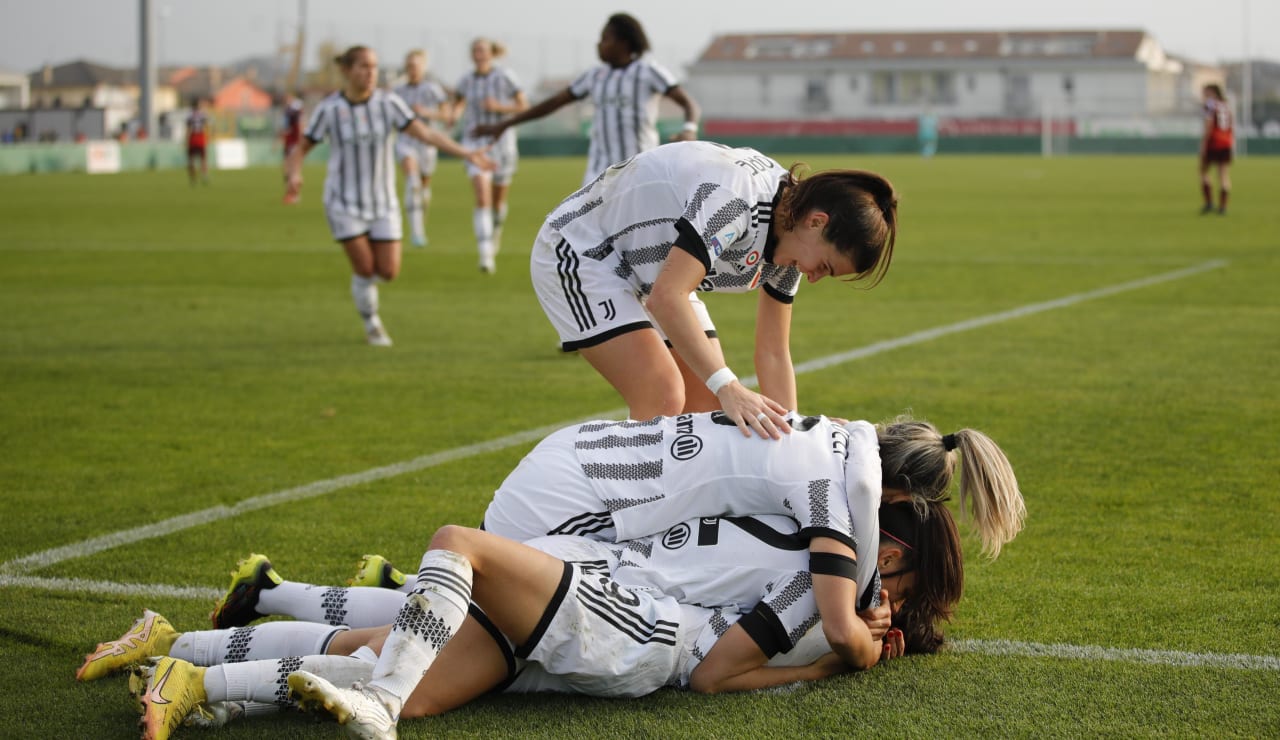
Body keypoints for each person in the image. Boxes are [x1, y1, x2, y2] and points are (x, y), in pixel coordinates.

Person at [82, 509, 923, 739]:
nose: (879, 577)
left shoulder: (822, 568)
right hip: (605, 599)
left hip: (614, 620)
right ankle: (183, 655)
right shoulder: (819, 550)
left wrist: (836, 656)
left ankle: (189, 663)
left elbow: (716, 670)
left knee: (395, 658)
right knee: (397, 650)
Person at [531, 141, 898, 433]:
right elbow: (668, 297)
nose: (814, 277)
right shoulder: (736, 200)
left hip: (653, 273)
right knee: (662, 395)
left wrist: (795, 434)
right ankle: (618, 513)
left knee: (704, 409)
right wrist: (729, 386)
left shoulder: (791, 242)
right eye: (825, 266)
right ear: (817, 222)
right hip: (582, 251)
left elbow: (772, 351)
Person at [284, 46, 494, 347]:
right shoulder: (330, 109)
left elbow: (427, 134)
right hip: (344, 202)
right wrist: (294, 174)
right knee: (366, 269)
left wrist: (466, 152)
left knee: (389, 271)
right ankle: (372, 324)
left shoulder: (388, 103)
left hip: (383, 202)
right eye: (363, 67)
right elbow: (300, 148)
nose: (371, 73)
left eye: (374, 67)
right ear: (347, 70)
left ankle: (367, 300)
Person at [471, 13, 701, 186]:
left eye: (605, 39)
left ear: (624, 43)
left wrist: (689, 129)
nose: (599, 44)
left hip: (639, 166)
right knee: (587, 234)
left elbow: (689, 104)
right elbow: (552, 103)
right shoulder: (594, 75)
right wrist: (504, 124)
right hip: (598, 169)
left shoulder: (648, 72)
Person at [451, 37, 528, 273]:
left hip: (502, 143)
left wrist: (499, 108)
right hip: (475, 143)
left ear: (491, 54)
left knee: (497, 202)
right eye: (475, 50)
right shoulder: (465, 79)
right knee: (482, 197)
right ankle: (485, 254)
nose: (479, 54)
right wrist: (454, 114)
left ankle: (495, 231)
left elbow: (524, 106)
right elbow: (458, 102)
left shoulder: (505, 76)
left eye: (482, 50)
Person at [393, 50, 452, 247]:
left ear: (423, 67)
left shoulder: (432, 89)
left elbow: (446, 114)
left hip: (427, 143)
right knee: (413, 182)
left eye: (416, 65)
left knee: (424, 187)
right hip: (405, 142)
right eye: (409, 66)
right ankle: (417, 233)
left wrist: (426, 112)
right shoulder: (398, 91)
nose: (412, 70)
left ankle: (420, 217)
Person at [1199, 83, 1234, 215]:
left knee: (1203, 171)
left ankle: (1209, 203)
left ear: (1212, 92)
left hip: (1213, 142)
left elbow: (1208, 124)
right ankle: (1223, 207)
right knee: (1224, 175)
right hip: (1226, 142)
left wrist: (1203, 143)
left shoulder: (1210, 104)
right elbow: (1232, 124)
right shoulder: (1226, 104)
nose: (1204, 95)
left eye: (1206, 92)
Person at [279, 92, 304, 204]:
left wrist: (300, 142)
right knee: (288, 170)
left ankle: (294, 195)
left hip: (294, 144)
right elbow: (285, 129)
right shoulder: (288, 112)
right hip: (289, 143)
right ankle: (291, 193)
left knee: (293, 170)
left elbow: (300, 128)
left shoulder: (294, 113)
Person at [184, 98, 210, 186]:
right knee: (203, 159)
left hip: (193, 137)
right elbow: (206, 127)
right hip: (201, 137)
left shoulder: (189, 115)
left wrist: (186, 141)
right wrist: (207, 138)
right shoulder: (202, 114)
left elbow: (188, 129)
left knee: (191, 160)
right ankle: (204, 176)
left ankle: (193, 178)